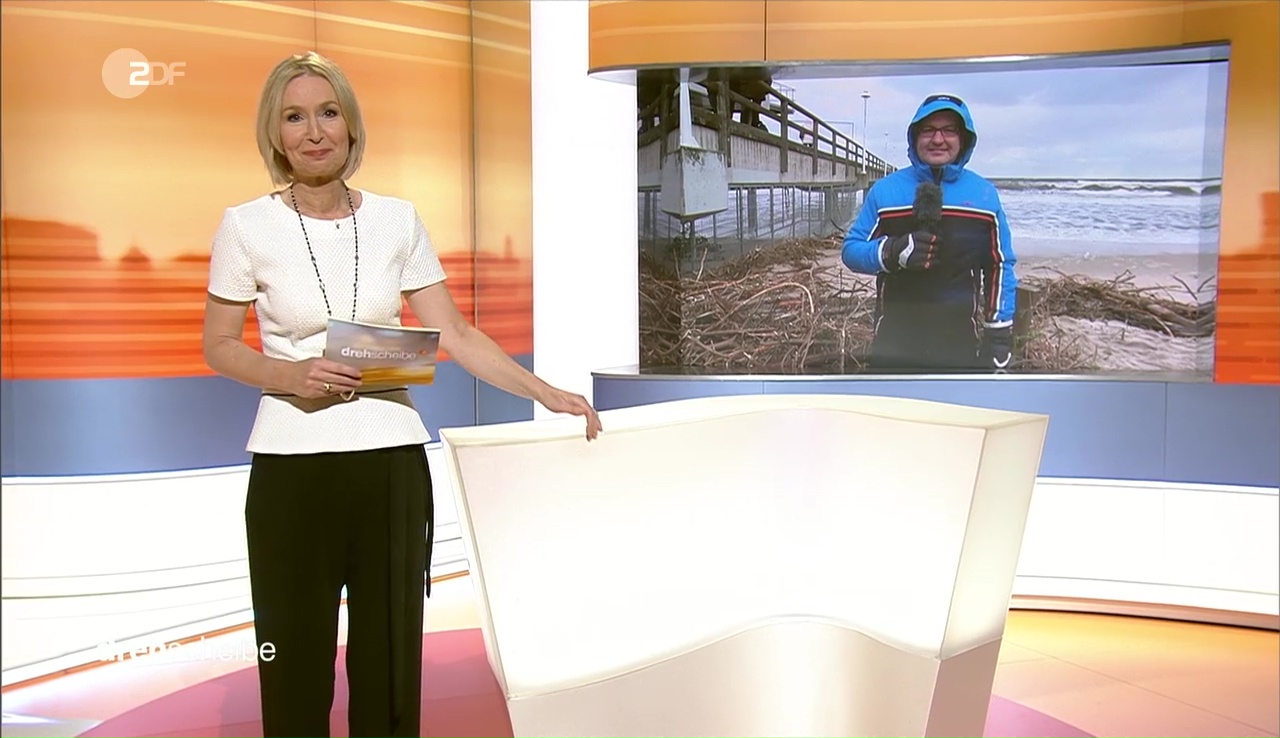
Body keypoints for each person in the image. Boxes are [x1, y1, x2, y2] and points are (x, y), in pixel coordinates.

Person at [201, 51, 602, 738]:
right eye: (294, 117)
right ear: (275, 134)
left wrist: (545, 392)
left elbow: (456, 333)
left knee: (390, 667)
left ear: (351, 125)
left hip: (390, 466)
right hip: (292, 471)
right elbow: (220, 345)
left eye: (328, 113)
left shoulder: (397, 219)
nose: (314, 131)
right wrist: (291, 376)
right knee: (293, 664)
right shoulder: (246, 225)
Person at [841, 93, 1017, 372]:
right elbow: (851, 250)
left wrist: (999, 333)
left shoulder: (984, 195)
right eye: (928, 130)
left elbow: (1000, 265)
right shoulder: (886, 191)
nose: (937, 139)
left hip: (959, 347)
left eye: (949, 130)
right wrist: (891, 252)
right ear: (914, 137)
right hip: (892, 347)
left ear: (963, 139)